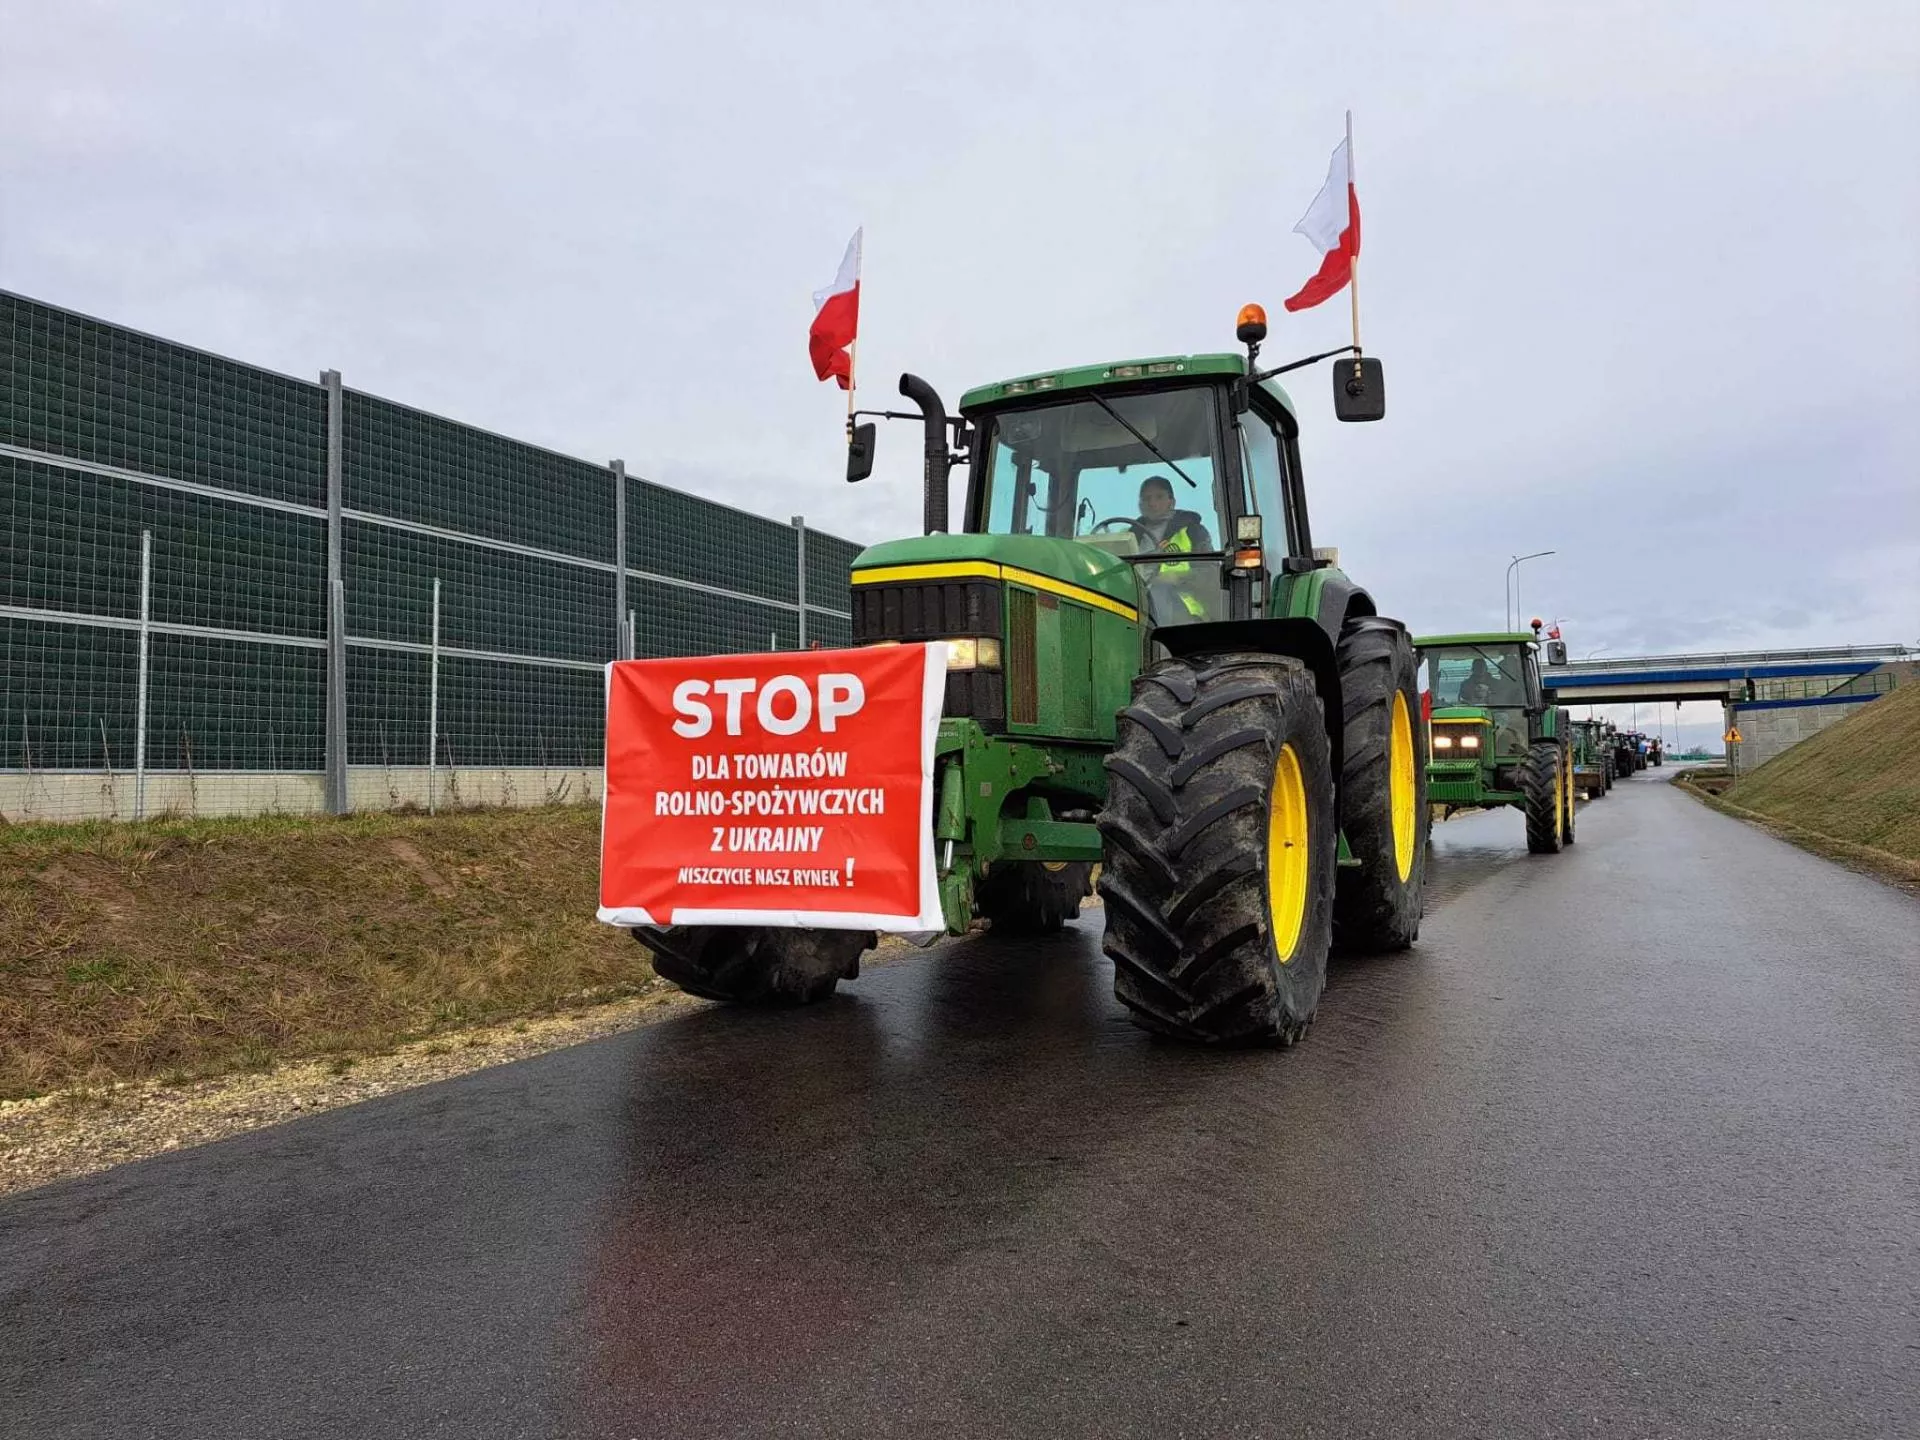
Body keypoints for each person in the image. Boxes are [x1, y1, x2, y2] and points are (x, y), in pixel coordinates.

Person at [1134, 476, 1214, 622]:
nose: (1152, 503)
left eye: (1159, 497)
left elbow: (1211, 573)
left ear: (1172, 501)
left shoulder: (1193, 532)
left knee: (1159, 591)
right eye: (1146, 498)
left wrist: (1177, 578)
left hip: (1186, 614)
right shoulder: (1129, 536)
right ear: (1140, 504)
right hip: (1137, 610)